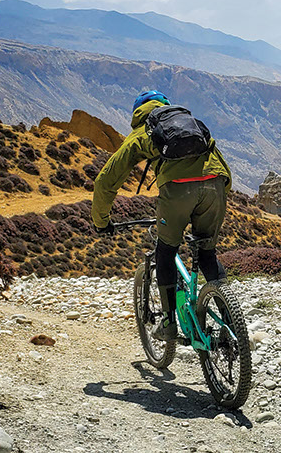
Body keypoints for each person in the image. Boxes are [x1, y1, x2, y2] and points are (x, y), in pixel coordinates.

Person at [91, 90, 233, 341]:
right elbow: (218, 160)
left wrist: (101, 222)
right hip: (216, 184)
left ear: (137, 113)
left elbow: (106, 181)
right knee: (207, 252)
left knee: (166, 250)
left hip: (178, 190)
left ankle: (168, 324)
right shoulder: (189, 121)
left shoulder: (141, 133)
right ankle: (232, 325)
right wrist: (219, 193)